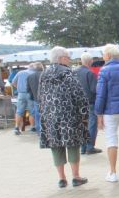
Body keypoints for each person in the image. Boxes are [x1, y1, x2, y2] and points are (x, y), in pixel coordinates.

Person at [38, 47, 89, 188]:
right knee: (72, 144)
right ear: (61, 58)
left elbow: (39, 96)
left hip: (50, 116)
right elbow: (79, 94)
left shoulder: (44, 74)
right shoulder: (68, 73)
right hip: (69, 115)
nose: (69, 60)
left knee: (56, 145)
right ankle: (76, 177)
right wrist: (85, 113)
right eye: (68, 57)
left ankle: (61, 178)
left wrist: (43, 113)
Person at [94, 44, 119, 182]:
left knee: (111, 140)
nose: (102, 56)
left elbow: (101, 95)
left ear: (108, 56)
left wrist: (98, 114)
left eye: (103, 54)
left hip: (110, 111)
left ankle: (113, 172)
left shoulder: (104, 71)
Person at [76, 53, 102, 155]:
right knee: (92, 124)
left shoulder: (74, 72)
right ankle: (90, 147)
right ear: (90, 61)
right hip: (90, 102)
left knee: (82, 125)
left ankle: (83, 148)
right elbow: (94, 89)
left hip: (78, 102)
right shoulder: (89, 73)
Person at [12, 65, 33, 135]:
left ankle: (16, 128)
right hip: (30, 94)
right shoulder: (33, 73)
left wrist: (18, 88)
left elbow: (13, 82)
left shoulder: (20, 72)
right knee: (31, 111)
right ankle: (33, 127)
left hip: (20, 94)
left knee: (19, 111)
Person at [27, 62, 44, 136]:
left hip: (35, 98)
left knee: (37, 114)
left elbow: (28, 89)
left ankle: (39, 131)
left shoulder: (30, 76)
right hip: (45, 98)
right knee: (45, 114)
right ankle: (44, 130)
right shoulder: (44, 74)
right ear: (42, 67)